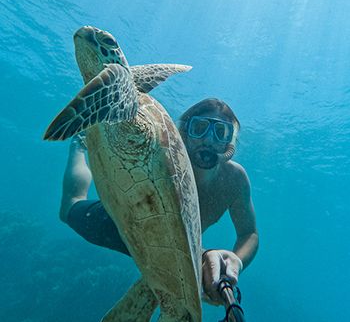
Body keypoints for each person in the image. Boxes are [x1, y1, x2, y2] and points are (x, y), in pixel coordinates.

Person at [60, 97, 258, 308]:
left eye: (220, 132)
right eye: (199, 128)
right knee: (69, 208)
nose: (208, 140)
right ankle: (79, 147)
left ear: (229, 143)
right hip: (120, 223)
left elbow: (249, 233)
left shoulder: (235, 180)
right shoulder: (161, 157)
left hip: (172, 252)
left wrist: (237, 261)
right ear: (184, 132)